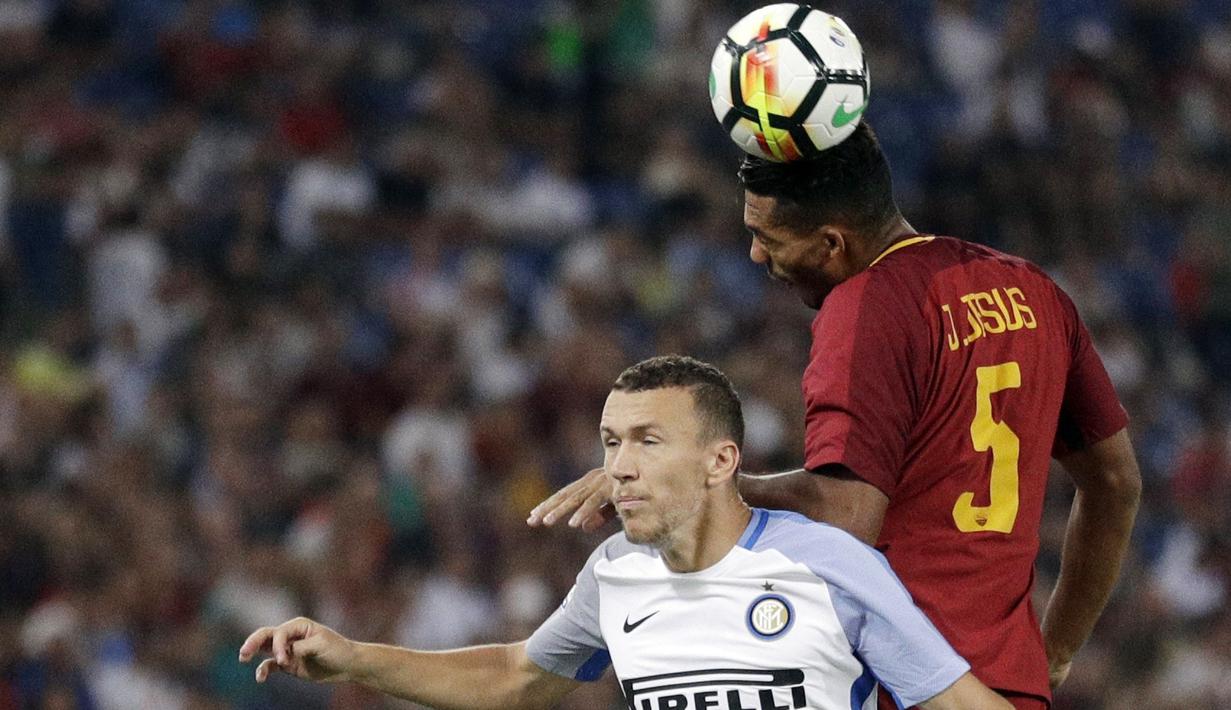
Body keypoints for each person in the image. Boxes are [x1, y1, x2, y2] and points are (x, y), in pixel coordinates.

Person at [527, 123, 1142, 710]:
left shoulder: (868, 305)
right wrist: (1054, 649)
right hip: (1009, 683)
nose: (755, 254)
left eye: (768, 237)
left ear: (832, 243)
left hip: (897, 686)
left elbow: (845, 516)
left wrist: (696, 483)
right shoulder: (1035, 292)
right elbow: (1117, 485)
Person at [241, 356, 1013, 710]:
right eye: (611, 443)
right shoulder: (615, 573)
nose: (620, 469)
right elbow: (514, 676)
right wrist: (353, 659)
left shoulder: (826, 566)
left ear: (720, 461)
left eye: (647, 441)